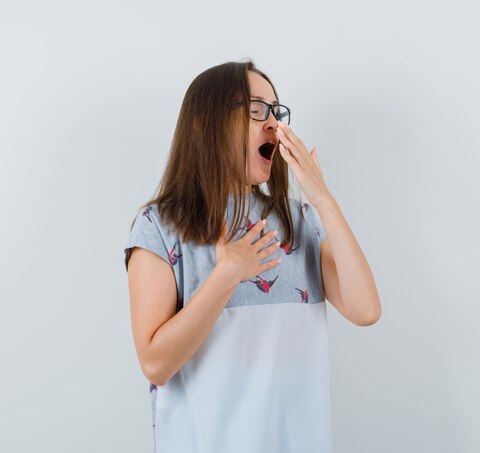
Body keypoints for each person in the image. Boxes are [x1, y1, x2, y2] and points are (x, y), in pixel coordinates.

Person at [124, 59, 381, 453]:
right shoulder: (160, 225)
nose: (274, 124)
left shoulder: (297, 220)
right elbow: (156, 364)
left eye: (277, 111)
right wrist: (227, 274)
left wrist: (322, 197)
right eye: (257, 109)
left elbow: (365, 310)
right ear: (204, 123)